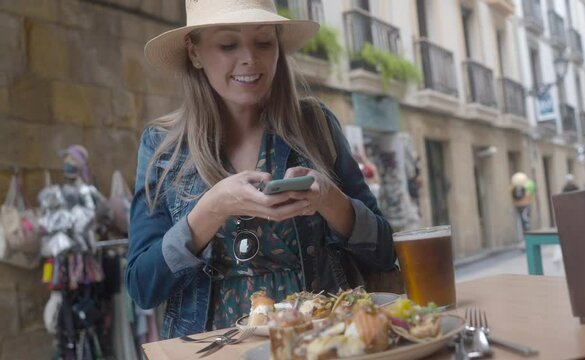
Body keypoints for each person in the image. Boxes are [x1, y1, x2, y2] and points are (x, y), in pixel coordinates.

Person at [126, 0, 395, 339]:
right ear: (194, 52)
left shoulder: (316, 126)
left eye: (264, 42)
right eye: (228, 44)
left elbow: (386, 254)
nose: (250, 58)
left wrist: (331, 201)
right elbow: (141, 286)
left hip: (321, 345)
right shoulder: (162, 147)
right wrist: (212, 209)